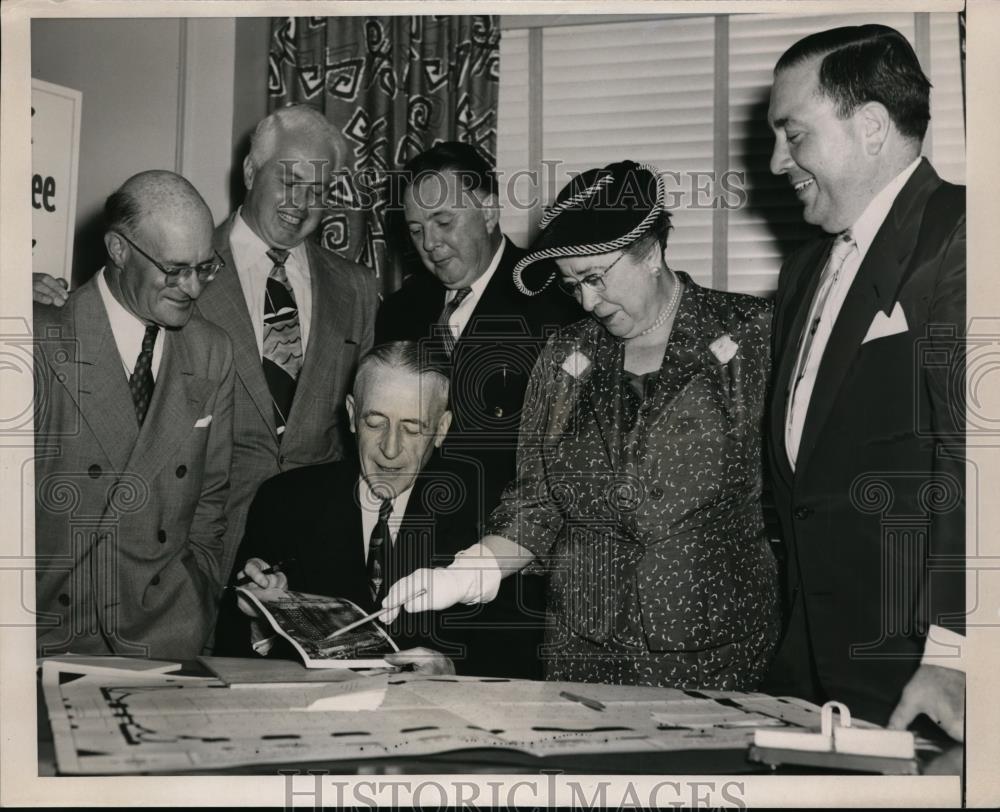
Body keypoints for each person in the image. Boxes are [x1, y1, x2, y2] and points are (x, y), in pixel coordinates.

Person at [383, 161, 781, 690]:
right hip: (582, 650)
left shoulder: (749, 336)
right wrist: (464, 574)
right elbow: (537, 505)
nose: (588, 303)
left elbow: (799, 494)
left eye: (596, 278)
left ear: (652, 252)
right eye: (574, 287)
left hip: (715, 652)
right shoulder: (566, 354)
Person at [32, 105, 379, 596]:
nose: (301, 204)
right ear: (251, 171)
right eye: (289, 180)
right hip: (183, 564)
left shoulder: (358, 288)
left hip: (310, 561)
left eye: (319, 191)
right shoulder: (173, 259)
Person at [763, 25, 965, 735]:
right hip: (812, 664)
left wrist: (956, 651)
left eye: (793, 135)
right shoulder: (803, 272)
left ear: (872, 126)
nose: (775, 161)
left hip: (920, 671)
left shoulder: (965, 234)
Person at [375, 142, 579, 679]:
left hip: (511, 583)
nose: (431, 245)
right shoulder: (400, 310)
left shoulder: (556, 303)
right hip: (411, 567)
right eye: (416, 230)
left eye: (444, 221)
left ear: (489, 208)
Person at [34, 170, 234, 660]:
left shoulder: (211, 351)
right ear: (119, 250)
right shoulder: (37, 336)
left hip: (166, 636)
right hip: (49, 637)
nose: (192, 287)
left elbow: (211, 499)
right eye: (174, 268)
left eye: (205, 268)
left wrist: (199, 592)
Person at [213, 341, 485, 676]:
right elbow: (230, 652)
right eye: (375, 422)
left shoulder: (484, 516)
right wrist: (260, 621)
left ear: (442, 429)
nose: (389, 448)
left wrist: (452, 671)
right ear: (353, 415)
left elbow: (517, 656)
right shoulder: (285, 500)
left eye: (412, 428)